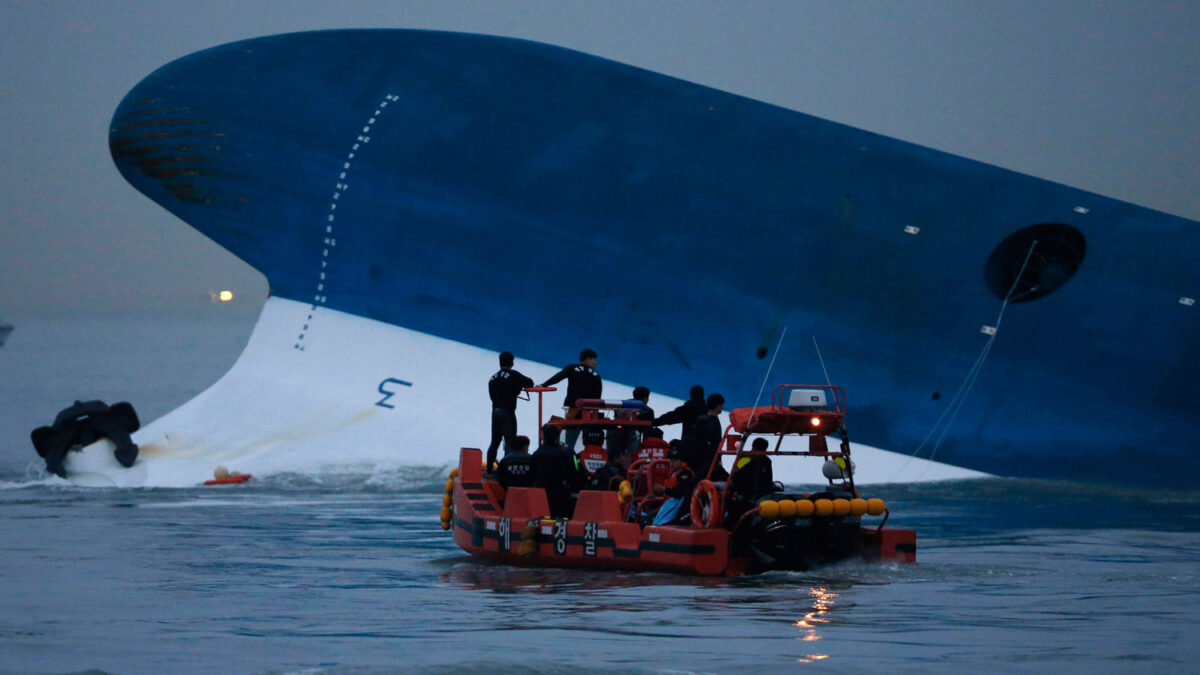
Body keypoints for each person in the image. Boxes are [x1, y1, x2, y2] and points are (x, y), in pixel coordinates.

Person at [539, 348, 602, 450]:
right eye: (593, 359)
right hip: (590, 413)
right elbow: (598, 397)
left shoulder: (572, 368)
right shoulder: (596, 375)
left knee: (570, 442)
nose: (595, 362)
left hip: (573, 410)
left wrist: (544, 385)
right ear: (585, 359)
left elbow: (558, 377)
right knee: (590, 442)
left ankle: (569, 458)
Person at [486, 351, 534, 474]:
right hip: (507, 412)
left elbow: (492, 396)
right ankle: (507, 470)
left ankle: (489, 469)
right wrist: (517, 388)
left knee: (494, 442)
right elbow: (530, 382)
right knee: (510, 442)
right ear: (512, 362)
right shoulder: (513, 375)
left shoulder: (492, 378)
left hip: (495, 412)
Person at [532, 424, 587, 518]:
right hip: (560, 495)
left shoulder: (536, 454)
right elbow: (574, 473)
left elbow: (531, 475)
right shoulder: (565, 453)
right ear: (557, 437)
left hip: (540, 497)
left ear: (543, 436)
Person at [727, 437, 776, 525]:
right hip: (751, 496)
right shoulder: (759, 460)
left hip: (754, 496)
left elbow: (735, 476)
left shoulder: (764, 461)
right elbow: (736, 475)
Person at [651, 442, 697, 525]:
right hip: (669, 509)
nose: (672, 463)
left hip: (679, 512)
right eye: (671, 460)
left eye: (675, 460)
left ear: (681, 461)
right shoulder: (673, 474)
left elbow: (680, 491)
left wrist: (664, 489)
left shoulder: (685, 473)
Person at [687, 393, 728, 480]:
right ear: (717, 406)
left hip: (702, 458)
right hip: (708, 460)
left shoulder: (703, 419)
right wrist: (717, 459)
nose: (722, 407)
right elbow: (715, 442)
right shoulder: (712, 422)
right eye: (721, 405)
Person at [606, 385, 654, 459]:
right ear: (646, 398)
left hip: (614, 436)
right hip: (631, 442)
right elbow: (647, 431)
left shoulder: (621, 405)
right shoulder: (648, 411)